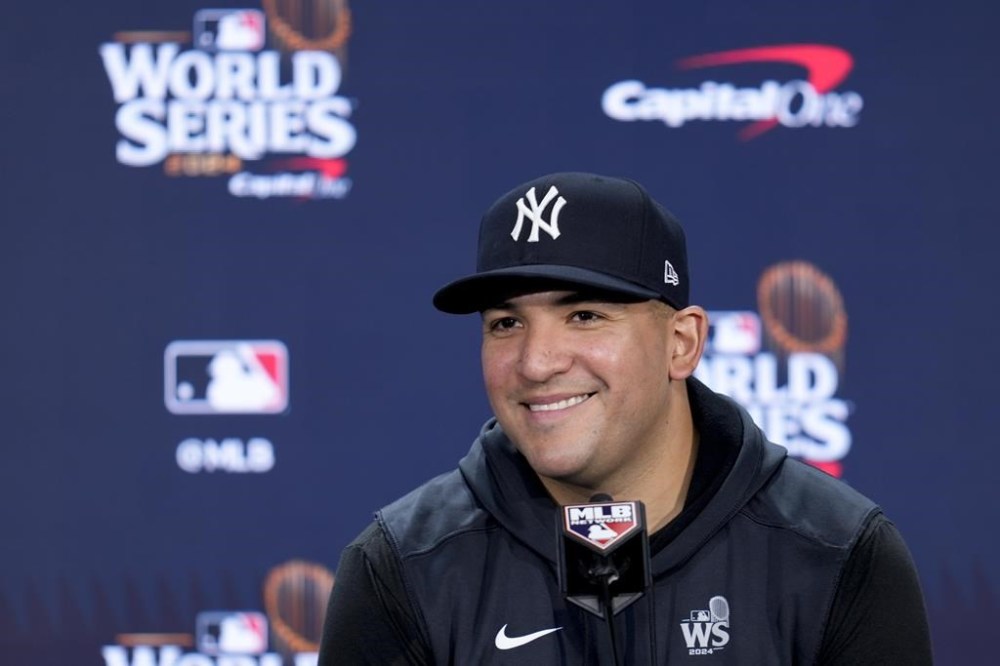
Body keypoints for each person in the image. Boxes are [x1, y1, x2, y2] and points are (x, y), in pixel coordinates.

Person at [318, 172, 933, 664]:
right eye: (506, 323)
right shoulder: (403, 566)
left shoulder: (835, 551)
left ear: (681, 343)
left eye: (584, 316)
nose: (535, 362)